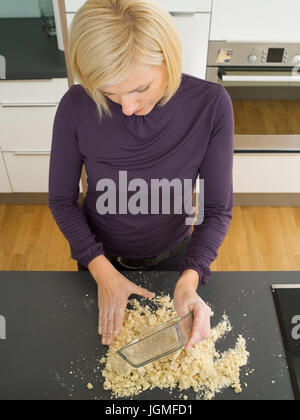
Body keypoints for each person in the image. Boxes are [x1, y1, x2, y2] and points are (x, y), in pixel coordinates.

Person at [48, 0, 234, 350]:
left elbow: (217, 209)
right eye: (110, 93)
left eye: (140, 88)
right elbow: (61, 200)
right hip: (97, 260)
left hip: (177, 261)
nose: (128, 108)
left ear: (169, 58)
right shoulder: (75, 106)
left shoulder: (211, 105)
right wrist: (103, 273)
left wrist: (189, 279)